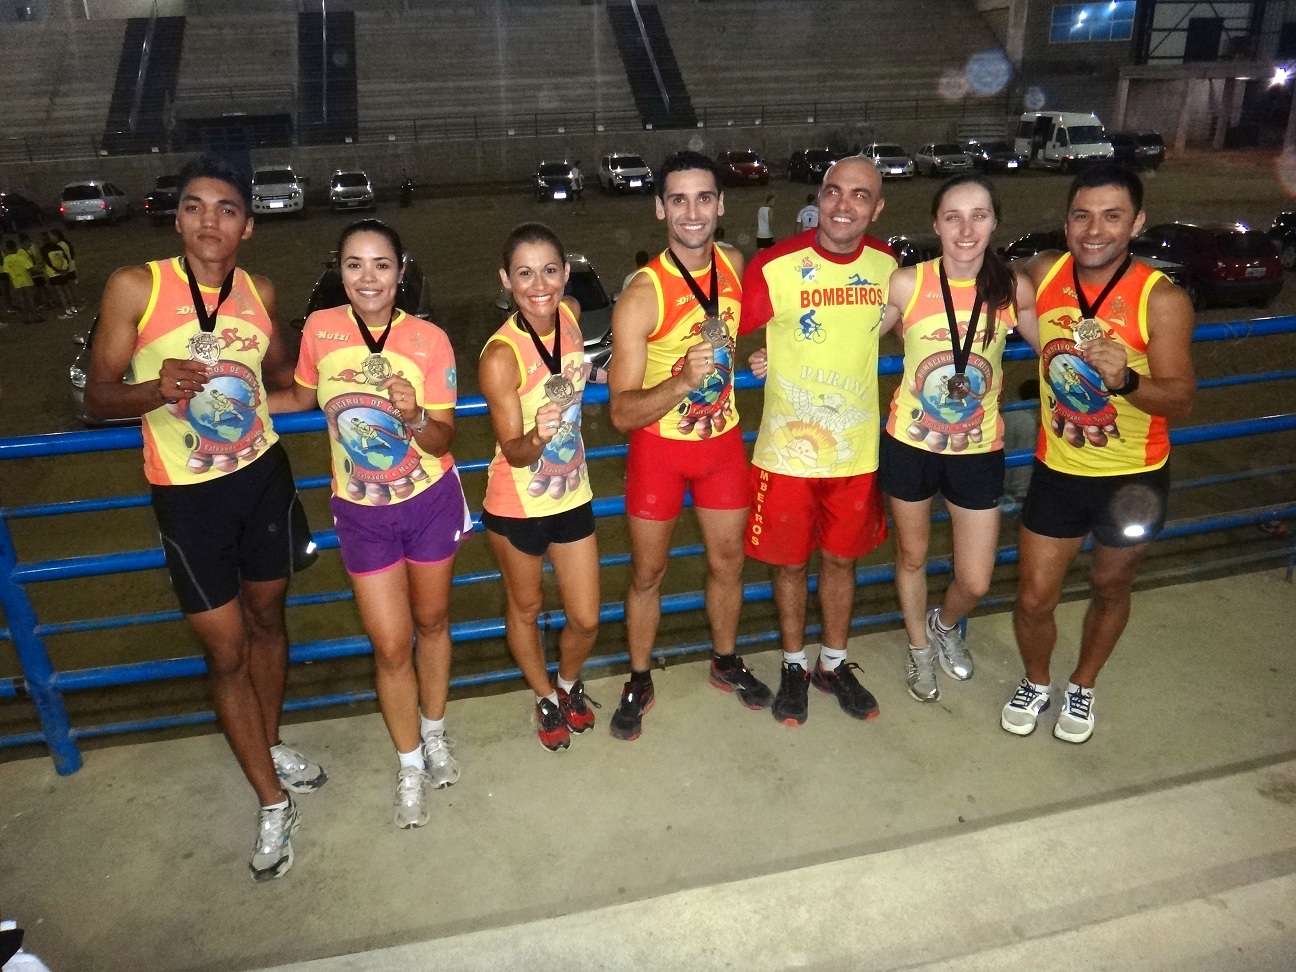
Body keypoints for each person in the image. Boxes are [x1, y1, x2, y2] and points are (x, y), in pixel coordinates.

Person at [83, 154, 326, 881]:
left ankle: (269, 742)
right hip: (188, 498)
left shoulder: (259, 291)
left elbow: (280, 381)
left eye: (226, 209)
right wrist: (155, 389)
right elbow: (96, 396)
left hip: (263, 480)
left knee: (268, 620)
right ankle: (271, 799)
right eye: (194, 206)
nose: (208, 221)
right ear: (177, 218)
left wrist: (344, 383)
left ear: (247, 226)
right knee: (225, 652)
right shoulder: (137, 286)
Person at [270, 219, 470, 826]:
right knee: (389, 644)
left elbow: (443, 438)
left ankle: (434, 734)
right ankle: (408, 764)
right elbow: (300, 399)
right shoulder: (320, 330)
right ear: (339, 270)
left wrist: (415, 417)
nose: (368, 277)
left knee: (432, 622)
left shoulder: (430, 339)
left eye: (381, 264)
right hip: (361, 513)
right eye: (354, 264)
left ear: (400, 271)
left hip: (430, 501)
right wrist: (215, 403)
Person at [1005, 163, 1194, 743]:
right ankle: (1037, 680)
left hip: (1133, 480)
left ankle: (1083, 684)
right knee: (1033, 598)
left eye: (1112, 216)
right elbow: (985, 281)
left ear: (1136, 223)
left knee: (1111, 586)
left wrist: (1127, 381)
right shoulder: (1045, 272)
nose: (1094, 230)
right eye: (1082, 215)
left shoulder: (1161, 299)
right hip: (1058, 471)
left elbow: (1181, 400)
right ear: (1066, 222)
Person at [607, 150, 772, 740]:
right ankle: (639, 677)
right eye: (678, 199)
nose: (693, 212)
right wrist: (680, 382)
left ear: (721, 204)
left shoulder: (733, 262)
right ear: (660, 209)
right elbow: (620, 413)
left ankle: (725, 661)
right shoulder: (642, 295)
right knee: (647, 573)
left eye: (704, 197)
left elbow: (745, 327)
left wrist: (767, 353)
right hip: (660, 453)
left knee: (729, 564)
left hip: (721, 445)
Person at [741, 156, 896, 726]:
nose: (843, 205)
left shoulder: (889, 267)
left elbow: (923, 317)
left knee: (840, 560)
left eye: (860, 195)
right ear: (819, 198)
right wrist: (758, 355)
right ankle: (793, 666)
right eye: (833, 191)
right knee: (788, 566)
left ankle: (833, 663)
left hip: (855, 451)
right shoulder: (774, 266)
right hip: (788, 451)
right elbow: (721, 327)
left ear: (877, 208)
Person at [878, 174, 1039, 704]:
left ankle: (944, 624)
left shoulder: (1012, 288)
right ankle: (919, 646)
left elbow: (1054, 344)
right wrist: (783, 351)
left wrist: (1107, 354)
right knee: (912, 557)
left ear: (994, 223)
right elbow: (851, 339)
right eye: (953, 217)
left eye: (979, 216)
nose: (966, 229)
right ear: (936, 224)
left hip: (978, 448)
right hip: (911, 442)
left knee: (975, 580)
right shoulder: (907, 283)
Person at [480, 223, 601, 752]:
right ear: (506, 280)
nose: (539, 285)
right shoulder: (500, 356)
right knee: (525, 608)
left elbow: (574, 371)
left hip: (573, 493)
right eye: (524, 274)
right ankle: (545, 696)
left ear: (565, 273)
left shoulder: (569, 315)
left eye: (549, 270)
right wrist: (538, 434)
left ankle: (568, 684)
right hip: (516, 504)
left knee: (586, 617)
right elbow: (513, 451)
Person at [1000, 378, 1040, 507]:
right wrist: (1023, 493)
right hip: (1018, 491)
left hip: (1001, 483)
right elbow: (1023, 464)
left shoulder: (1009, 412)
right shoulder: (1027, 421)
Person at [39, 231, 76, 319]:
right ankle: (73, 308)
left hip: (54, 274)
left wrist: (57, 270)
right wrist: (64, 269)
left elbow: (47, 262)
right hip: (63, 271)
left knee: (61, 292)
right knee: (67, 290)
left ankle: (67, 311)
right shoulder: (58, 247)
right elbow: (65, 259)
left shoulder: (43, 249)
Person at [2, 240, 40, 324]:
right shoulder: (20, 257)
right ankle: (35, 317)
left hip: (16, 282)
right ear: (16, 247)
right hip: (26, 280)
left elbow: (7, 271)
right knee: (30, 299)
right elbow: (30, 268)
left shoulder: (6, 259)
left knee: (22, 300)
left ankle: (25, 318)